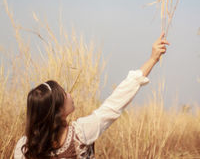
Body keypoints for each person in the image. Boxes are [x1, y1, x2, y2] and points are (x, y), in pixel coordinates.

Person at [14, 32, 169, 159]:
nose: (69, 94)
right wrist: (153, 59)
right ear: (58, 111)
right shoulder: (81, 133)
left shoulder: (23, 149)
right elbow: (117, 101)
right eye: (64, 94)